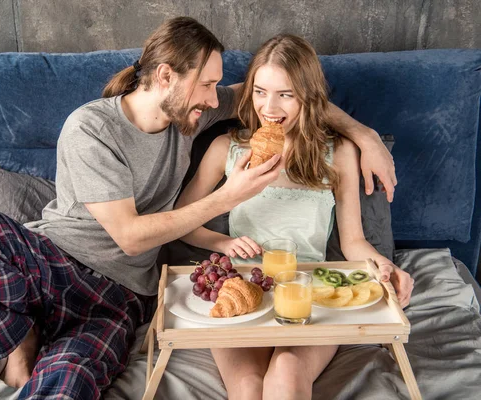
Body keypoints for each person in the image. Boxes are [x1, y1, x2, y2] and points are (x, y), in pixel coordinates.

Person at [0, 17, 398, 400]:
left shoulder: (194, 112)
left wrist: (365, 135)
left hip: (120, 298)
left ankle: (40, 345)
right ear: (167, 77)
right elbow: (129, 235)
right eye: (208, 85)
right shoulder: (91, 127)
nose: (219, 100)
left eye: (218, 87)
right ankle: (17, 340)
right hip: (57, 266)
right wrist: (229, 199)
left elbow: (290, 97)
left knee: (67, 389)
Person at [175, 34, 415, 400]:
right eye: (259, 91)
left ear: (308, 96)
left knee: (285, 378)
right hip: (243, 287)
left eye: (285, 94)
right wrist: (221, 242)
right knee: (248, 388)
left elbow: (353, 242)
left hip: (311, 296)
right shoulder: (227, 148)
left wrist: (384, 267)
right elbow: (183, 220)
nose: (268, 107)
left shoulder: (338, 153)